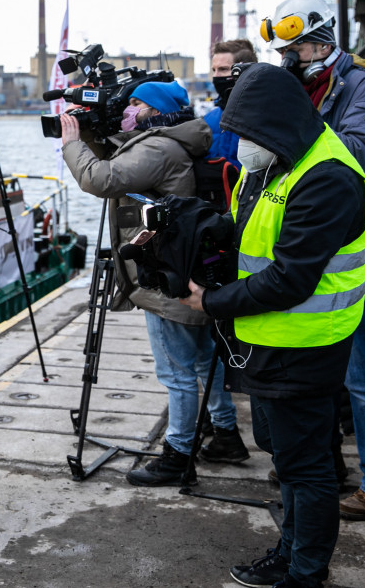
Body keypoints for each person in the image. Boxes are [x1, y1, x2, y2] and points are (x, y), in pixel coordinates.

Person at [180, 63, 365, 588]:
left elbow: (291, 278)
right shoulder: (274, 160)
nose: (240, 143)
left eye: (247, 132)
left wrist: (213, 302)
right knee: (285, 458)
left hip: (305, 345)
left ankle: (306, 572)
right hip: (268, 337)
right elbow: (248, 233)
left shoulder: (328, 176)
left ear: (274, 123)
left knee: (307, 467)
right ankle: (288, 553)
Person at [264, 0, 365, 521]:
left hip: (363, 259)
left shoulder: (362, 87)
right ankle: (327, 465)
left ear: (322, 40)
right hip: (327, 255)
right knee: (323, 370)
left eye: (298, 48)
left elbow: (352, 160)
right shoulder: (318, 86)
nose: (292, 59)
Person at [60, 79, 249, 488]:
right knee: (200, 360)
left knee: (176, 372)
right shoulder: (173, 139)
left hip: (166, 275)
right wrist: (95, 131)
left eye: (135, 104)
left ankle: (178, 455)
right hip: (185, 265)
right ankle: (226, 434)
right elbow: (120, 157)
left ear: (153, 109)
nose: (128, 110)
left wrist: (72, 142)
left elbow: (101, 179)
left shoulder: (158, 147)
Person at [203, 38, 258, 165]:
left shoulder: (264, 117)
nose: (216, 76)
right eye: (214, 70)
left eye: (223, 69)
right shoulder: (208, 119)